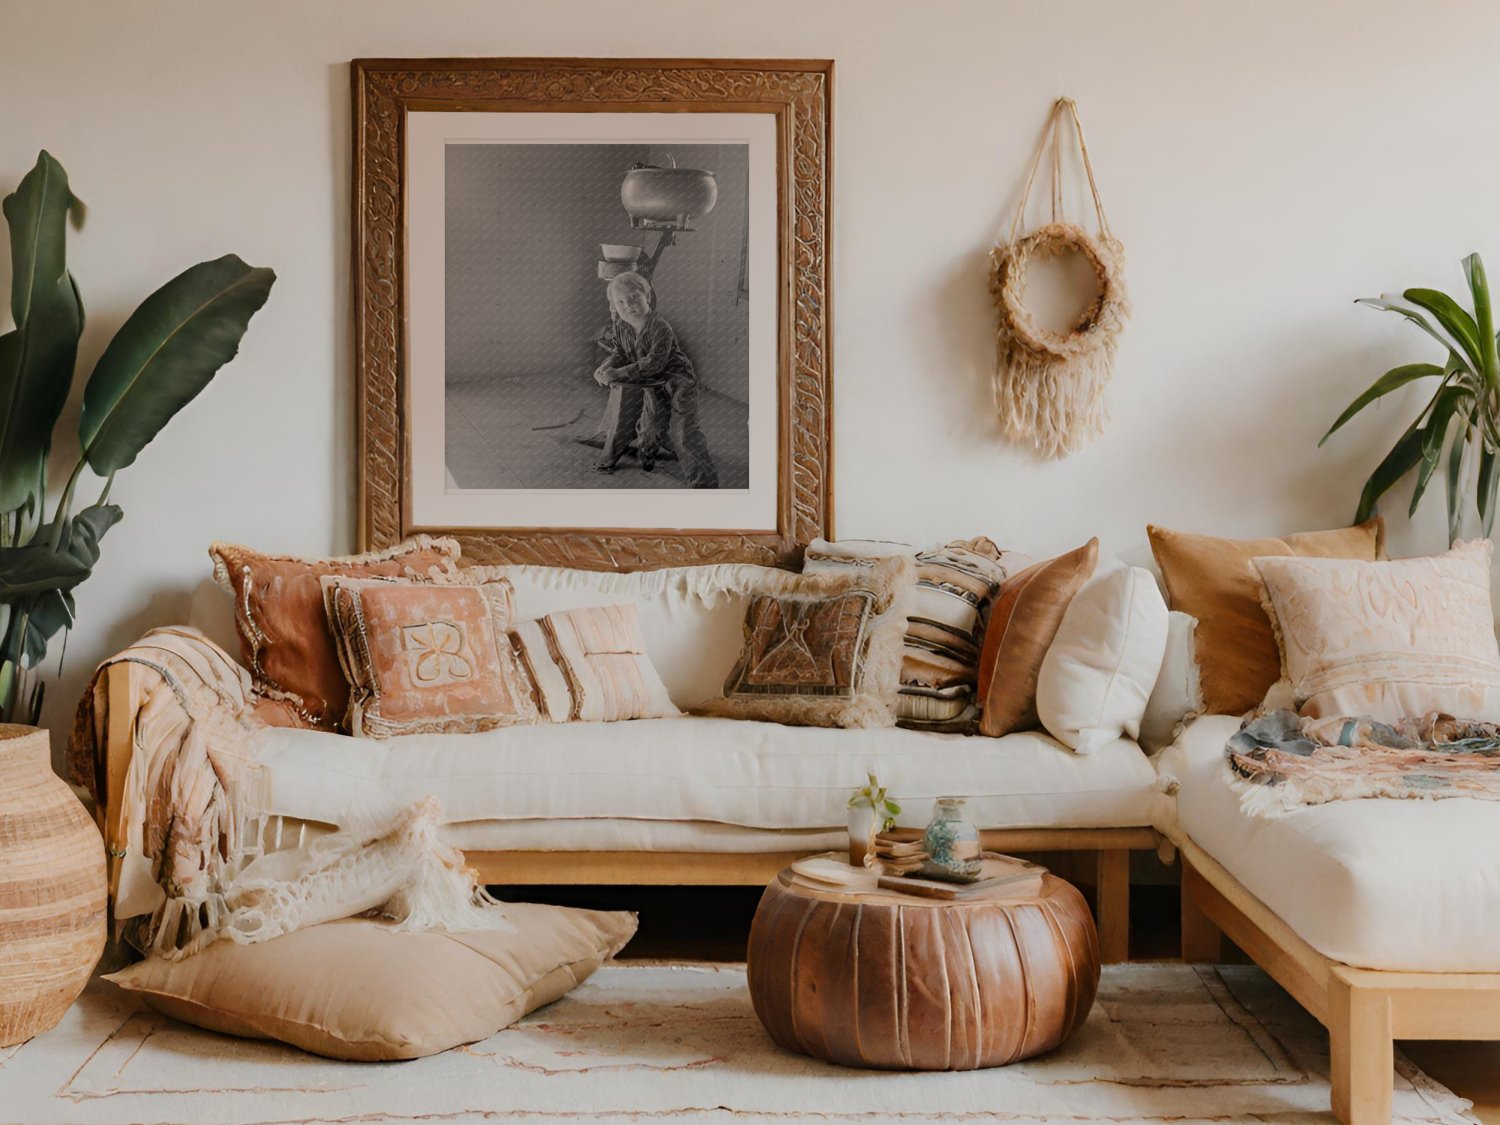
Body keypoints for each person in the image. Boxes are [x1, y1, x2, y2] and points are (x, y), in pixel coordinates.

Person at [591, 271, 719, 488]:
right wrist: (604, 367)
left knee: (684, 432)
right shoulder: (621, 326)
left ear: (647, 297)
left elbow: (653, 363)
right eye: (620, 302)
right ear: (613, 307)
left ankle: (703, 485)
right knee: (650, 423)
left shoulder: (660, 327)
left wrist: (618, 373)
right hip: (651, 382)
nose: (628, 305)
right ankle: (647, 454)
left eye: (634, 298)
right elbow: (620, 352)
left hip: (678, 381)